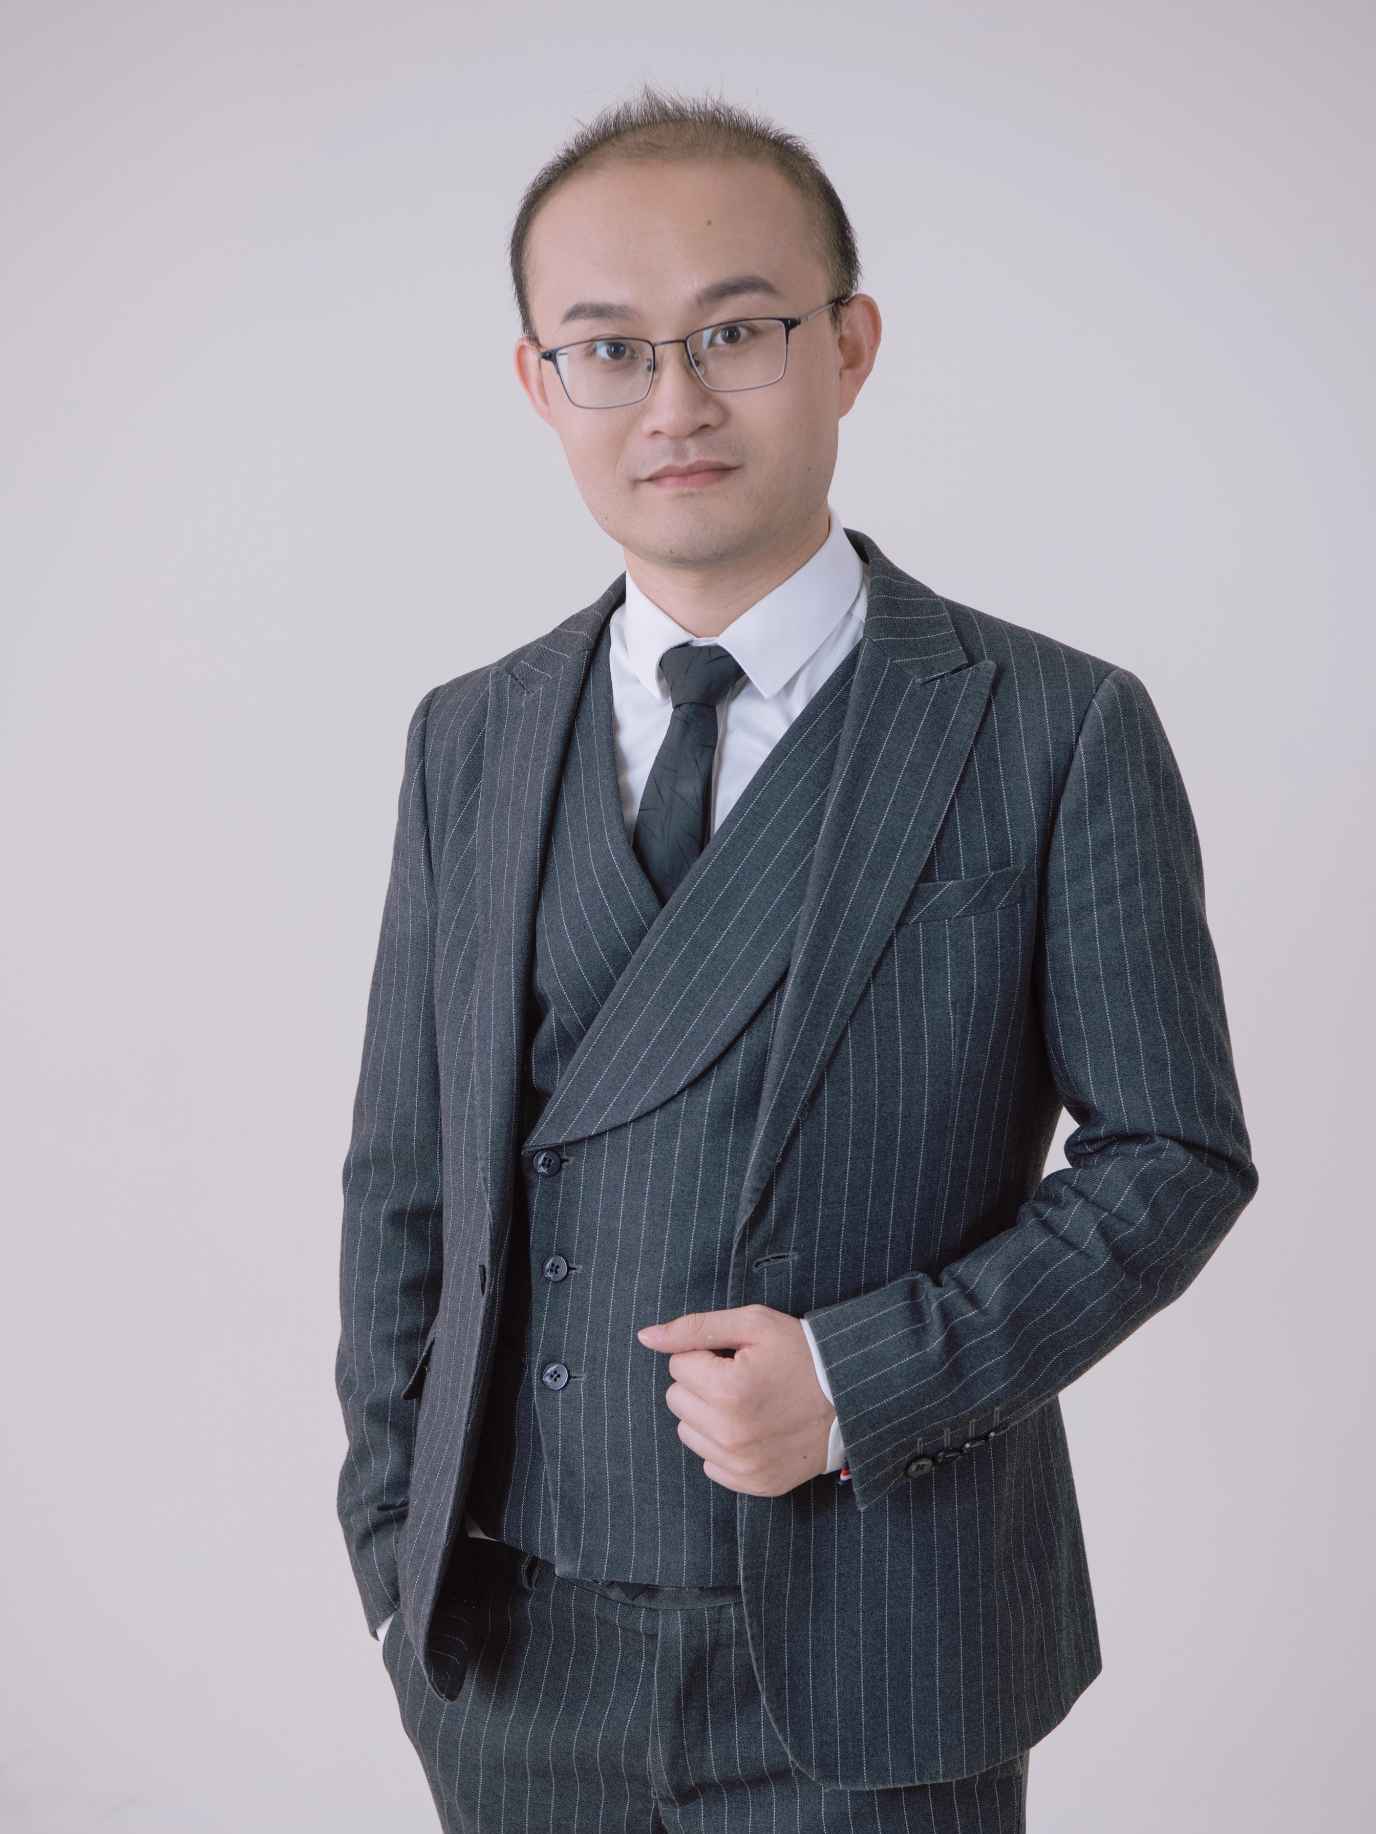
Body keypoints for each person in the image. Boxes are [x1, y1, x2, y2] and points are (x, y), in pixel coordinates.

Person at [334, 83, 1258, 1833]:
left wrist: (858, 1381)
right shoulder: (468, 736)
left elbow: (1175, 1153)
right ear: (538, 383)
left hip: (881, 1648)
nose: (674, 400)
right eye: (609, 348)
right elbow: (406, 1179)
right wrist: (395, 1550)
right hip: (510, 1659)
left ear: (848, 346)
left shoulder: (1052, 726)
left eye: (735, 332)